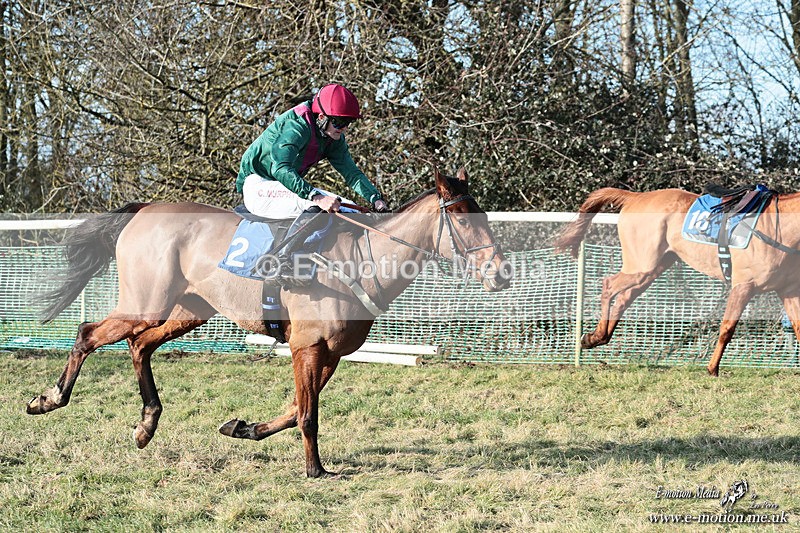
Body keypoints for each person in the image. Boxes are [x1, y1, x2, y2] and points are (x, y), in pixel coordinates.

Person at [235, 83, 388, 286]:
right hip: (258, 183)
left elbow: (351, 173)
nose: (343, 129)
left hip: (282, 186)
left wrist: (376, 200)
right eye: (340, 122)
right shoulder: (296, 125)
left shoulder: (331, 136)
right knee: (314, 206)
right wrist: (316, 196)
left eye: (348, 123)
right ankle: (278, 263)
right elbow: (280, 169)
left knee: (347, 207)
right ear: (322, 117)